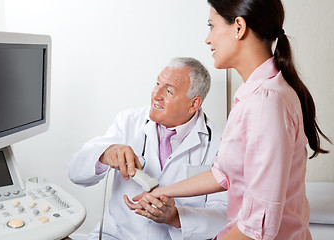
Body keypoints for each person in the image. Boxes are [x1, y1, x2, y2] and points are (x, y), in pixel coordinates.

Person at [126, 1, 332, 240]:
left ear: (239, 27)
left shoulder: (265, 102)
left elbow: (258, 226)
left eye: (211, 26)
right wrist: (161, 191)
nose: (207, 39)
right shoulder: (255, 94)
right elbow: (224, 173)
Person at [68, 57, 228, 240]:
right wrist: (105, 155)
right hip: (118, 235)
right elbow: (74, 172)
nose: (156, 95)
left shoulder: (219, 143)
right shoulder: (128, 121)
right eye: (157, 83)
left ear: (194, 104)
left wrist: (176, 218)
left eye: (168, 91)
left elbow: (225, 217)